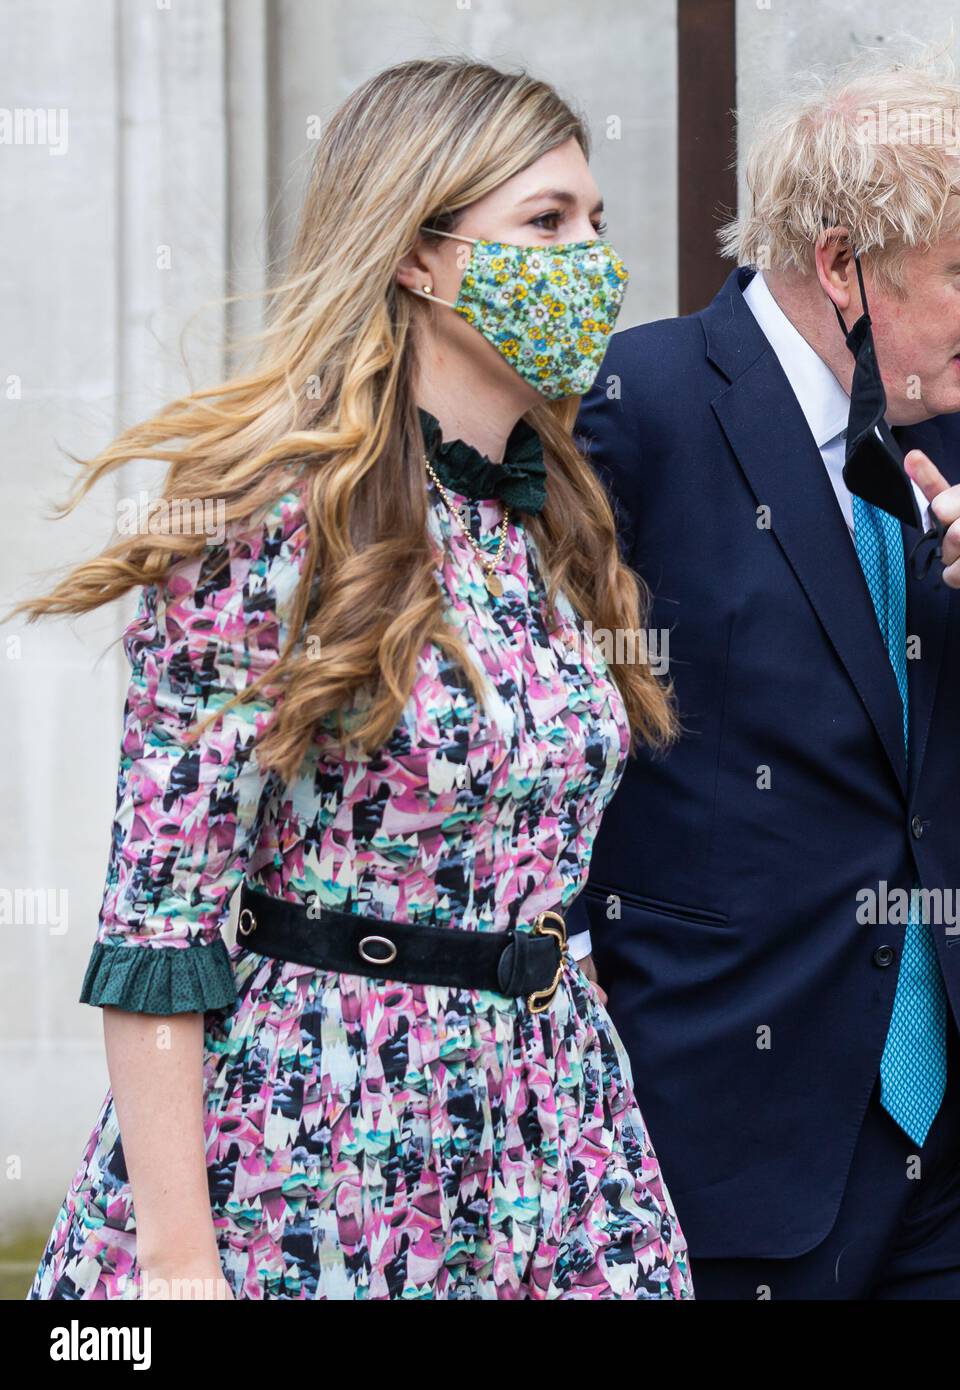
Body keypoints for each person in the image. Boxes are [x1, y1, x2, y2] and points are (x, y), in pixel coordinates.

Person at [15, 56, 692, 1301]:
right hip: (319, 1130)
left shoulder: (552, 518)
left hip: (558, 1123)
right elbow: (158, 921)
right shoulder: (268, 518)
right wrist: (177, 1264)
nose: (592, 256)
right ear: (416, 256)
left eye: (597, 222)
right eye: (545, 222)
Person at [564, 44, 960, 1299]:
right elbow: (537, 739)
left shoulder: (953, 407)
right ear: (838, 265)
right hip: (733, 1129)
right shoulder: (639, 401)